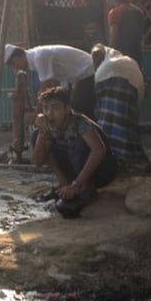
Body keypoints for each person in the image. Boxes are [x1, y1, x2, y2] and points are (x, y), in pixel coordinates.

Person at [32, 85, 118, 219]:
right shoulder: (49, 126)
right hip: (74, 167)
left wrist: (76, 184)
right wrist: (42, 133)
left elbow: (99, 151)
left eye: (56, 108)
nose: (49, 113)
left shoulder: (80, 123)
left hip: (103, 170)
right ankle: (63, 182)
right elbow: (38, 162)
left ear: (67, 109)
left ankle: (86, 188)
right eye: (46, 108)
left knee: (78, 143)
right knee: (36, 136)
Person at [91, 44, 151, 173]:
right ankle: (140, 161)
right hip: (133, 82)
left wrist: (95, 72)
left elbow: (96, 53)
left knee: (107, 121)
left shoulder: (99, 49)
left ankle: (115, 160)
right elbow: (142, 84)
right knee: (128, 123)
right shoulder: (123, 57)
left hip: (108, 76)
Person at [5, 43, 96, 119]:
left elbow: (47, 87)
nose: (16, 68)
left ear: (21, 55)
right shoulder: (36, 56)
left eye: (14, 63)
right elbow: (55, 85)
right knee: (71, 110)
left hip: (88, 72)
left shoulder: (39, 57)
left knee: (79, 111)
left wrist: (35, 115)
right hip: (80, 78)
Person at [105, 0, 145, 69]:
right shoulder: (137, 10)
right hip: (137, 52)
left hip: (122, 54)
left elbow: (114, 37)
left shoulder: (115, 12)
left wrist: (110, 53)